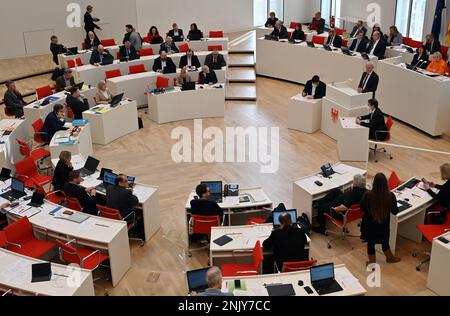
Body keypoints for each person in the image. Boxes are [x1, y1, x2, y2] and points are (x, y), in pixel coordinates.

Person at [360, 173, 401, 265]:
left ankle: (372, 262)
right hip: (383, 225)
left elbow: (362, 208)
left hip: (368, 225)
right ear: (386, 183)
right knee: (385, 242)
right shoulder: (390, 196)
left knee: (370, 244)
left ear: (374, 183)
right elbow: (395, 211)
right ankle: (390, 258)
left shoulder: (367, 194)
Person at [106, 174, 144, 239]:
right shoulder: (126, 192)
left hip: (111, 216)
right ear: (120, 183)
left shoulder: (109, 188)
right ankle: (141, 235)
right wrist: (131, 192)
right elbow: (135, 202)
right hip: (123, 218)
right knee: (141, 212)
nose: (128, 182)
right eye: (126, 181)